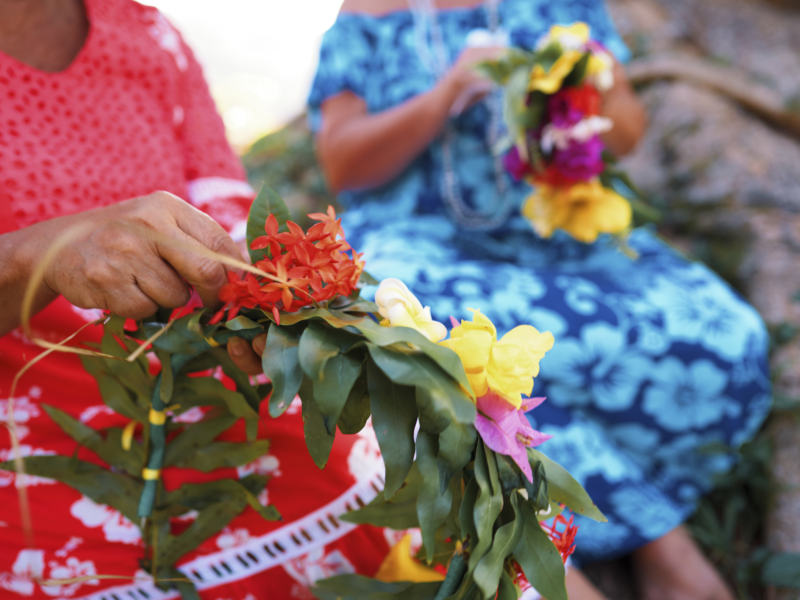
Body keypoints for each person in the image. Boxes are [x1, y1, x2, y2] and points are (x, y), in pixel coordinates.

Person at [302, 0, 773, 598]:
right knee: (425, 331)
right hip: (420, 243)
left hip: (564, 235)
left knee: (725, 336)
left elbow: (626, 129)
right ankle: (621, 544)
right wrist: (445, 94)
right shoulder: (366, 13)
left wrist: (575, 110)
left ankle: (612, 526)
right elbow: (342, 162)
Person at [0, 1, 390, 598]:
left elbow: (226, 213)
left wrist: (269, 289)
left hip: (188, 380)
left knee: (371, 473)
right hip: (31, 423)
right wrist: (38, 254)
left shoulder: (148, 35)